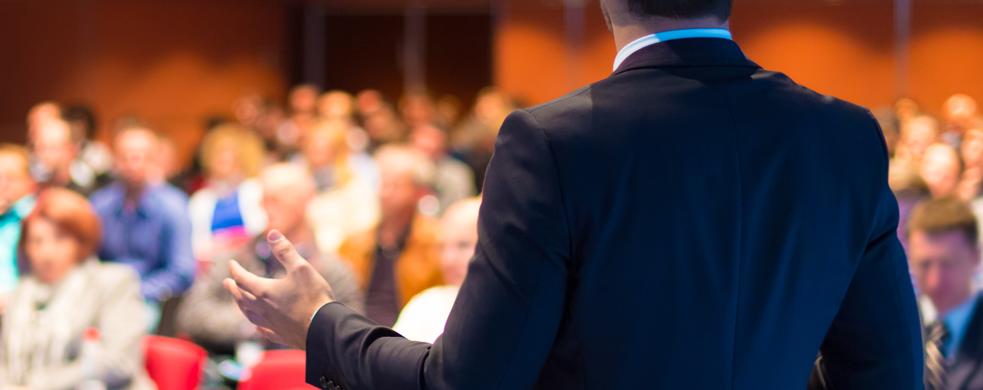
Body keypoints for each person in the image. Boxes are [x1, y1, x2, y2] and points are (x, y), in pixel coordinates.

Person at [226, 0, 923, 388]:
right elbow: (887, 376)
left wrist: (321, 322)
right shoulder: (844, 137)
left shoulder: (553, 142)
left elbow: (470, 385)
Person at [178, 164, 363, 354]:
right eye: (264, 199)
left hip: (299, 376)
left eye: (277, 199)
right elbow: (192, 315)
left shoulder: (332, 270)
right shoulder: (234, 258)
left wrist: (280, 321)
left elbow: (347, 337)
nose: (266, 206)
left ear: (305, 200)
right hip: (231, 371)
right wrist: (255, 320)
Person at [0, 188, 154, 389]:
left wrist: (37, 385)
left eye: (59, 239)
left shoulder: (113, 282)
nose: (47, 252)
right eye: (36, 241)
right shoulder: (20, 293)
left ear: (81, 242)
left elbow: (118, 363)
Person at [335, 145, 443, 327]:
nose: (385, 193)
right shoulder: (353, 243)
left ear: (418, 193)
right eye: (383, 183)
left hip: (410, 338)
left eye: (396, 186)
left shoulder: (437, 242)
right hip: (358, 335)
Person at [91, 126, 196, 307]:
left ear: (154, 160)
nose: (133, 164)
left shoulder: (173, 205)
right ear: (115, 160)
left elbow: (182, 271)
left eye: (140, 157)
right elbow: (87, 259)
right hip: (104, 295)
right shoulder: (99, 204)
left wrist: (137, 293)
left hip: (151, 299)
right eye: (125, 157)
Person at [908, 198, 983, 389]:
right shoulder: (896, 324)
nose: (935, 280)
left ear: (976, 256)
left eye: (948, 264)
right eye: (924, 265)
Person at [393, 197, 480, 343]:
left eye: (463, 245)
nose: (448, 260)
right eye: (442, 247)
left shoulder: (515, 310)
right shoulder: (427, 304)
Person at [188, 124, 268, 261]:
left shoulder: (256, 190)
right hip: (213, 266)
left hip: (253, 262)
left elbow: (262, 231)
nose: (223, 158)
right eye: (218, 153)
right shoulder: (200, 199)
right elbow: (195, 245)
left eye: (229, 153)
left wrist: (231, 241)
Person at [299, 121, 380, 255]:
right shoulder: (299, 182)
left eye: (322, 151)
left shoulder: (356, 187)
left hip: (342, 258)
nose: (315, 157)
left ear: (338, 152)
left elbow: (365, 229)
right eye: (311, 150)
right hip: (304, 255)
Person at [410, 124, 476, 213]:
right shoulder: (398, 169)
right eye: (423, 148)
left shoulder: (458, 173)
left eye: (433, 149)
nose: (427, 156)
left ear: (444, 148)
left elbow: (461, 207)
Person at [0, 145, 37, 297]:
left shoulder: (36, 216)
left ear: (29, 181)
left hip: (22, 301)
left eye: (10, 178)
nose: (2, 185)